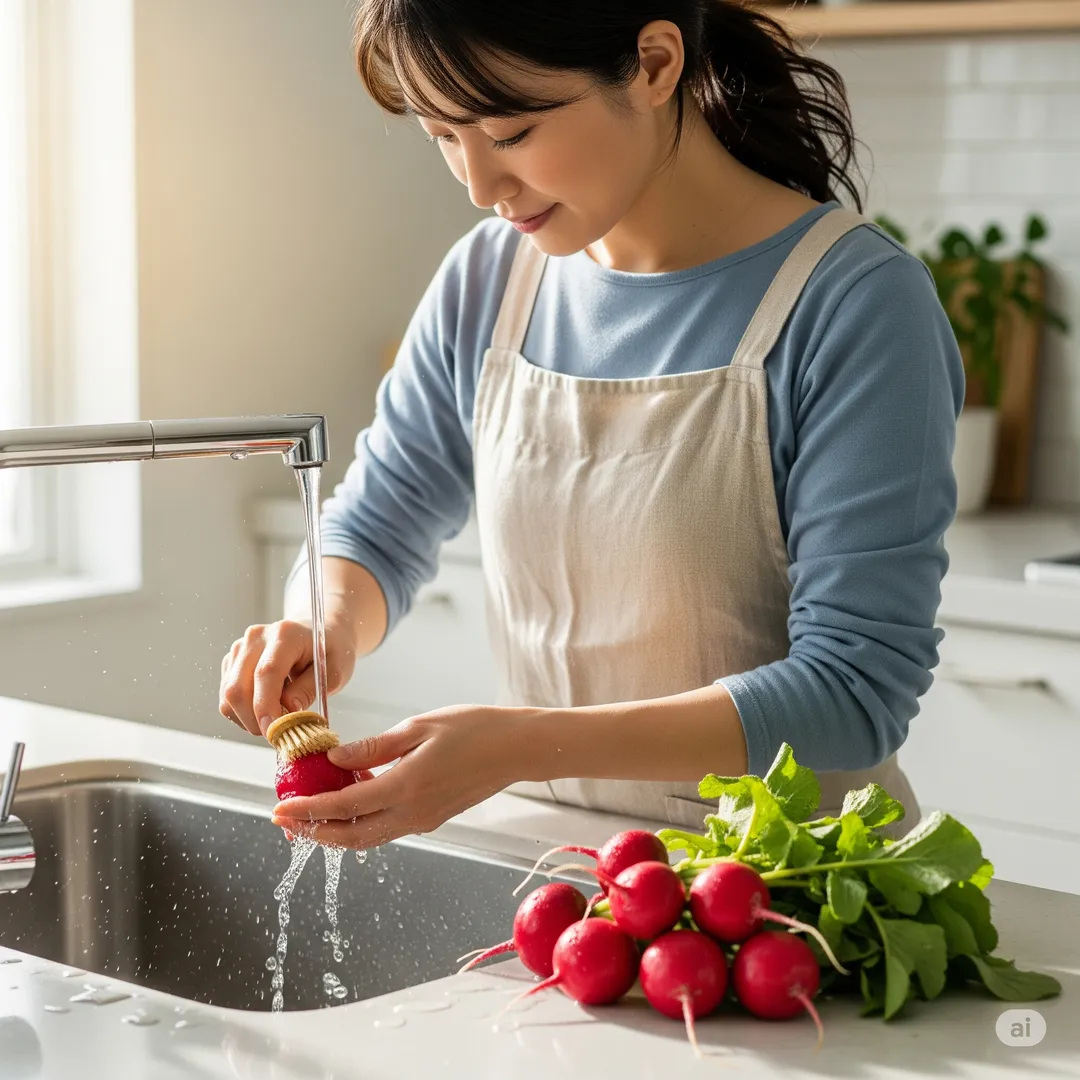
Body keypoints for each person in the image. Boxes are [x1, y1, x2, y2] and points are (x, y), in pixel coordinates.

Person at [219, 0, 964, 849]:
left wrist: (520, 746)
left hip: (796, 896)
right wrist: (322, 622)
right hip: (568, 873)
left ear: (653, 65)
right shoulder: (487, 279)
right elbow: (380, 520)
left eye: (509, 133)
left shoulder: (857, 303)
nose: (479, 185)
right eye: (441, 135)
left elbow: (854, 689)